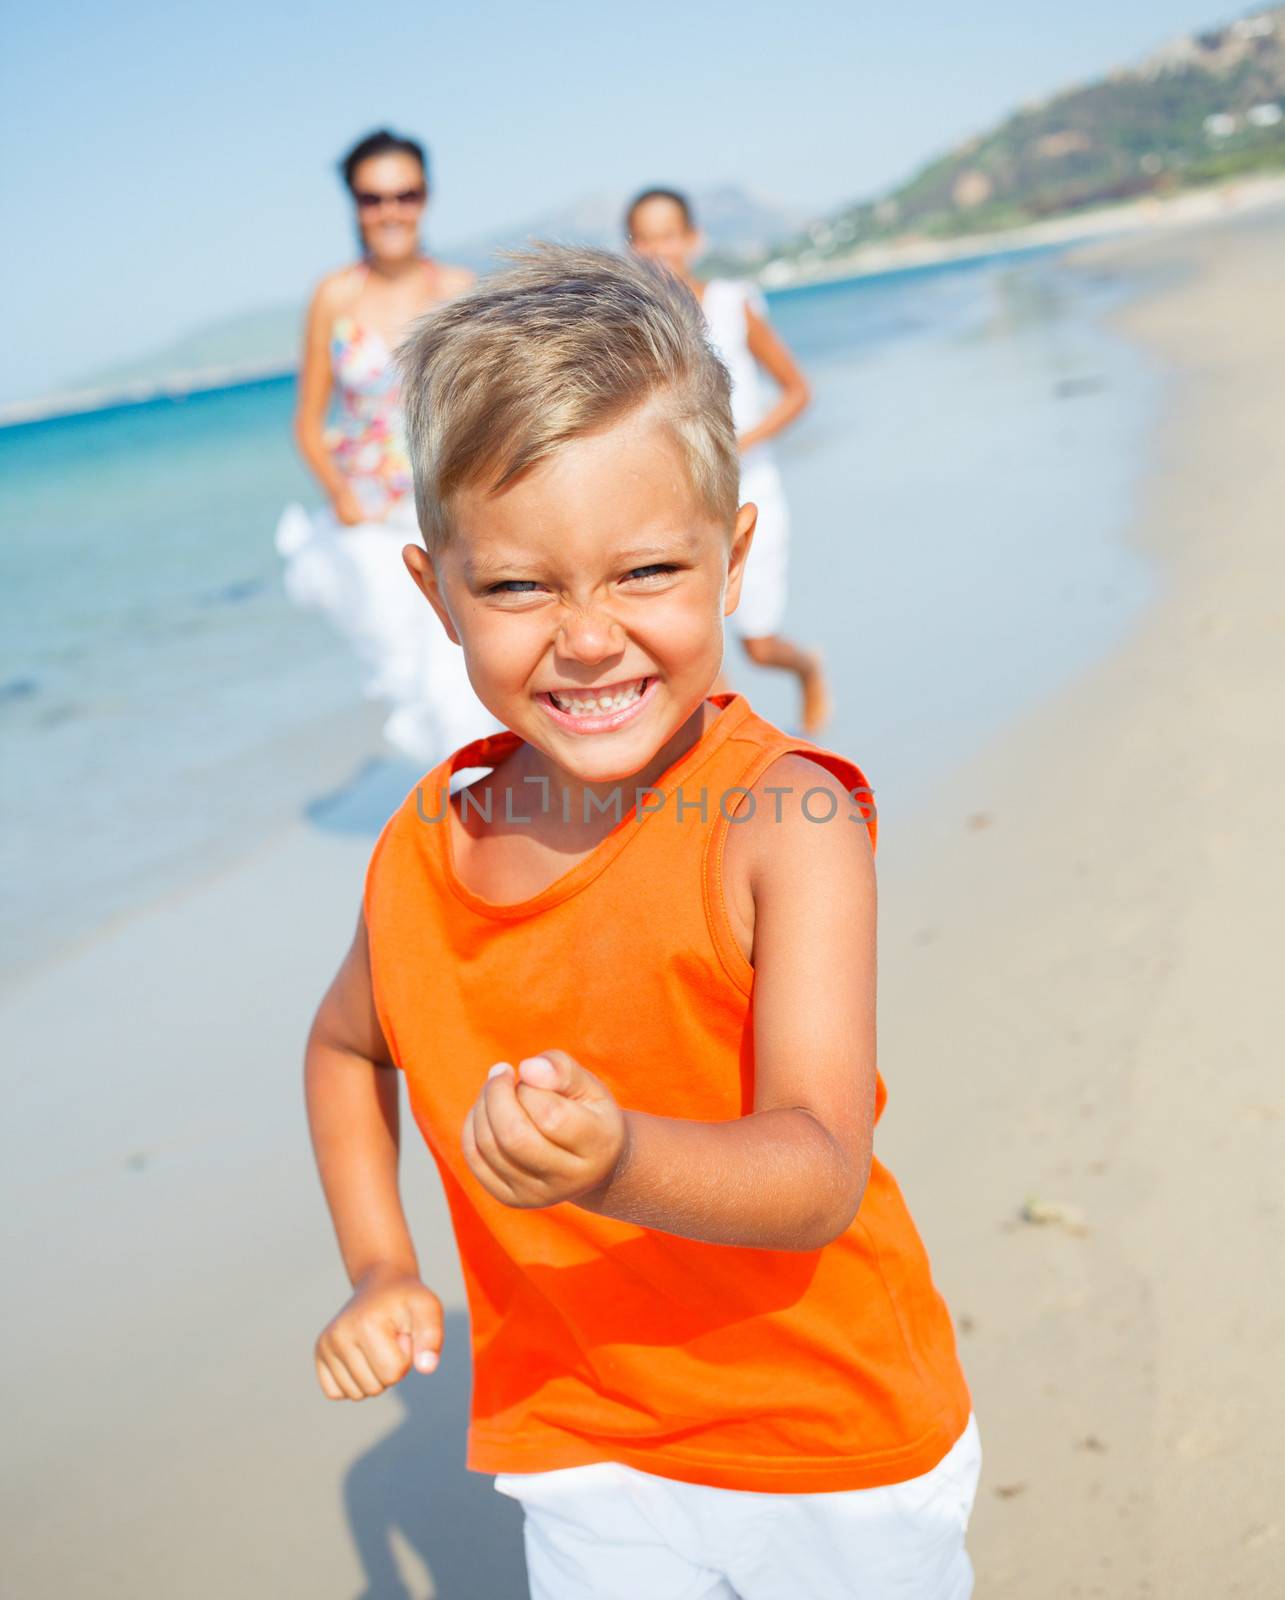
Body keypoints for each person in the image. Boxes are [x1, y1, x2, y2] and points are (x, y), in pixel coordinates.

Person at [304, 246, 976, 1599]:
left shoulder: (785, 827)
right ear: (437, 594)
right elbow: (343, 1049)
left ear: (732, 560)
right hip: (578, 1436)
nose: (590, 637)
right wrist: (382, 1266)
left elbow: (815, 1167)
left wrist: (612, 1161)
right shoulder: (422, 848)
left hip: (825, 1439)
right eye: (518, 587)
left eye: (646, 571)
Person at [276, 128, 496, 762]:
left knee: (459, 677)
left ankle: (478, 829)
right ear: (354, 204)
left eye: (406, 194)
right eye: (373, 199)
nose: (390, 211)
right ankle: (448, 828)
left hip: (451, 516)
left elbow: (490, 405)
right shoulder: (333, 297)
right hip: (372, 530)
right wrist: (341, 497)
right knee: (409, 680)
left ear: (426, 198)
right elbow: (307, 423)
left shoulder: (460, 289)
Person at [627, 187, 831, 735]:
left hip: (750, 495)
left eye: (668, 235)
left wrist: (736, 444)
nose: (659, 249)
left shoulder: (730, 304)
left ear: (692, 240)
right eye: (645, 239)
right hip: (678, 509)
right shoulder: (634, 329)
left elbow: (797, 392)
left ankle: (807, 666)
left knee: (759, 645)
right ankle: (734, 764)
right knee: (695, 647)